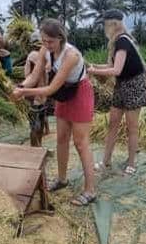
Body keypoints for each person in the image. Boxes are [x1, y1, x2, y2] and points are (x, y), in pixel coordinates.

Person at [12, 19, 97, 206]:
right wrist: (20, 86)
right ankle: (62, 179)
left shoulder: (71, 55)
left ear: (61, 38)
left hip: (79, 93)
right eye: (44, 41)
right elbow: (34, 76)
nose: (46, 45)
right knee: (61, 138)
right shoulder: (45, 50)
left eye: (50, 41)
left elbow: (51, 89)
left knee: (81, 143)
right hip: (63, 94)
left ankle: (90, 190)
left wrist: (25, 93)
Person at [88, 10, 146, 176]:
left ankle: (131, 163)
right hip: (121, 85)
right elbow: (111, 66)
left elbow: (116, 70)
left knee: (132, 127)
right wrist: (94, 66)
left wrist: (94, 71)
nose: (104, 28)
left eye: (105, 24)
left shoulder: (123, 41)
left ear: (114, 24)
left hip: (134, 86)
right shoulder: (117, 42)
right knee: (113, 124)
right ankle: (106, 161)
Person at [24, 31, 49, 147]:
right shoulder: (34, 55)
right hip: (34, 97)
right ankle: (35, 149)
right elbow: (34, 77)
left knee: (40, 125)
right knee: (35, 126)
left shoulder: (40, 54)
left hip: (41, 96)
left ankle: (38, 148)